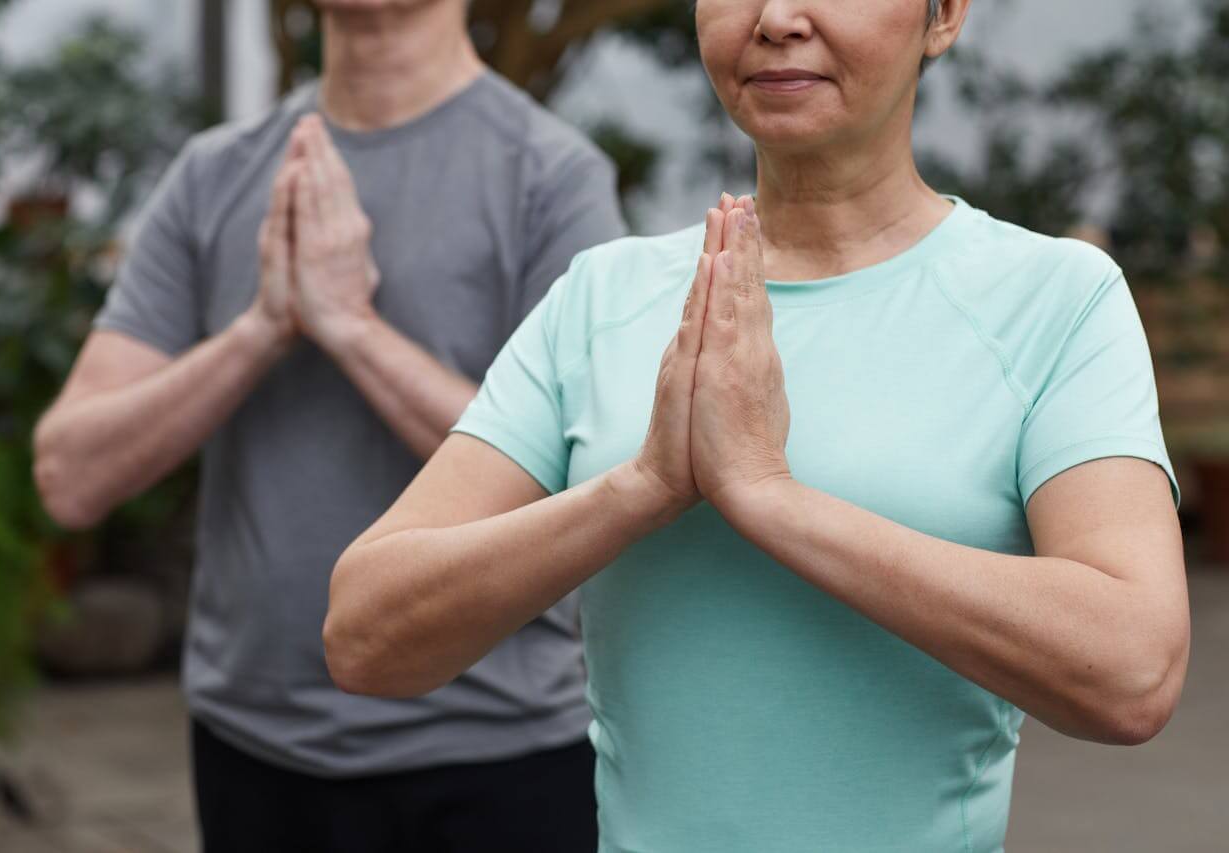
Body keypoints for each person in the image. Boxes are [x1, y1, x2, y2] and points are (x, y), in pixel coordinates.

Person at [323, 1, 1190, 850]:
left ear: (945, 15)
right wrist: (642, 487)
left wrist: (769, 497)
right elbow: (366, 637)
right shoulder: (602, 299)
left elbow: (1131, 672)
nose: (775, 17)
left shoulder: (1056, 300)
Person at [33, 0, 625, 850]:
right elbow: (68, 476)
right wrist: (260, 329)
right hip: (254, 748)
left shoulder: (552, 176)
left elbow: (592, 485)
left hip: (499, 755)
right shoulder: (215, 175)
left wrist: (353, 328)